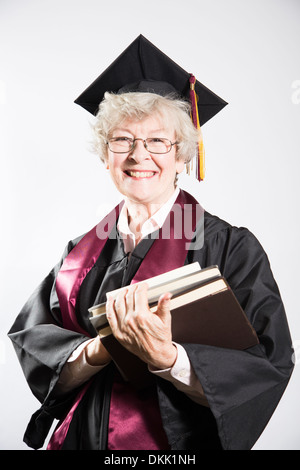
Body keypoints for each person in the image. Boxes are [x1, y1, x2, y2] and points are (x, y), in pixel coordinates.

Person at [8, 35, 294, 451]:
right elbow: (34, 341)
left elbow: (267, 365)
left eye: (158, 141)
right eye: (122, 140)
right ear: (105, 155)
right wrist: (99, 350)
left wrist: (169, 359)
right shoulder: (78, 253)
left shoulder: (231, 248)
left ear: (182, 156)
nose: (139, 156)